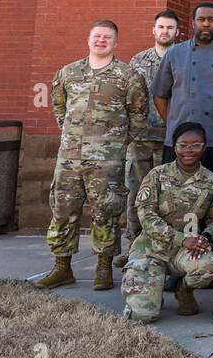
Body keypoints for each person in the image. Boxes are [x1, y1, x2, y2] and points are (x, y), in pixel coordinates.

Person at [34, 20, 148, 292]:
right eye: (97, 36)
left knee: (106, 211)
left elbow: (139, 116)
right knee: (63, 210)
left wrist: (114, 144)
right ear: (88, 39)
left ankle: (103, 268)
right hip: (70, 158)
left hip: (107, 161)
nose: (101, 41)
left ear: (115, 42)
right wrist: (75, 138)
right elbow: (60, 108)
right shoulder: (68, 73)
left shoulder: (128, 76)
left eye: (107, 37)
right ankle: (62, 267)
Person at [120, 122, 213, 322]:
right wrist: (180, 238)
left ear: (204, 147)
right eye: (183, 145)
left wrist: (206, 236)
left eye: (195, 145)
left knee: (208, 265)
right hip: (151, 248)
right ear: (174, 147)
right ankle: (152, 292)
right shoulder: (157, 176)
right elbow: (146, 216)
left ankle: (183, 289)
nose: (188, 151)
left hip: (188, 250)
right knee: (143, 315)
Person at [116, 9, 180, 270]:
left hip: (171, 139)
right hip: (141, 138)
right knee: (136, 193)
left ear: (178, 32)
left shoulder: (182, 58)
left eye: (170, 28)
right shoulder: (138, 60)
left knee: (169, 196)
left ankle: (166, 247)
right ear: (153, 31)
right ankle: (133, 245)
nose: (165, 31)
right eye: (161, 27)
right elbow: (128, 98)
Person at [152, 2, 213, 176]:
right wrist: (173, 122)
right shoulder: (174, 54)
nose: (206, 24)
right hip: (179, 139)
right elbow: (159, 95)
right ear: (193, 22)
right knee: (173, 191)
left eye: (212, 19)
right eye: (201, 19)